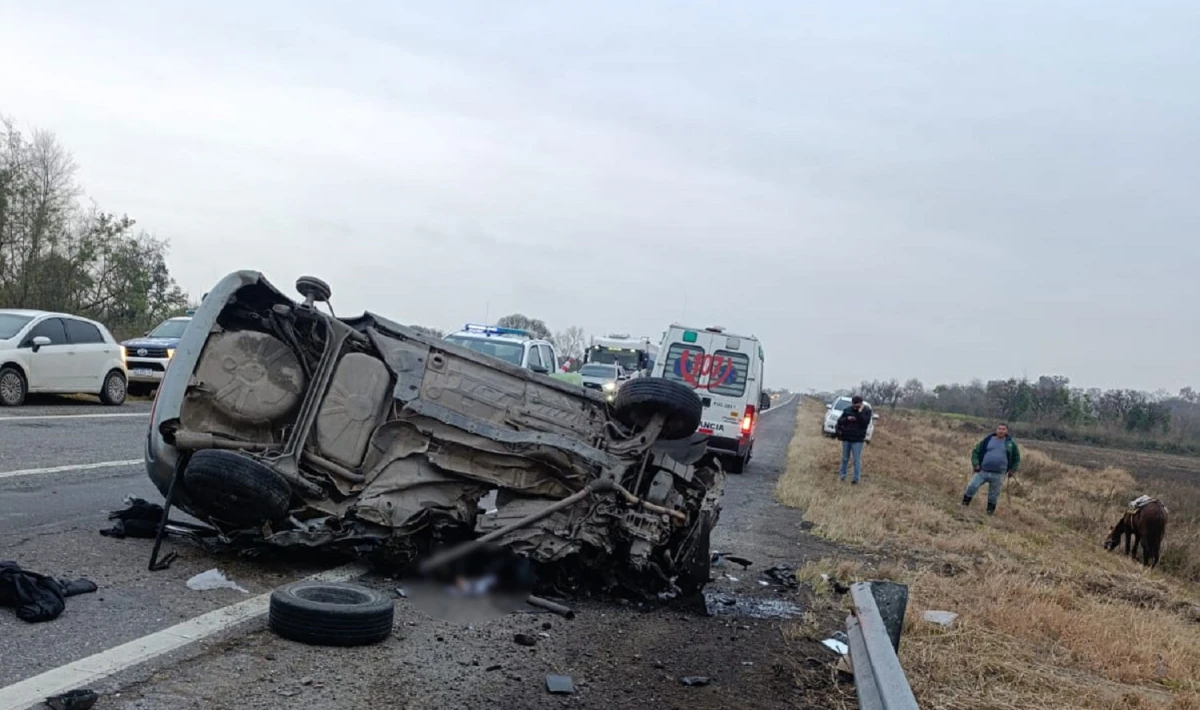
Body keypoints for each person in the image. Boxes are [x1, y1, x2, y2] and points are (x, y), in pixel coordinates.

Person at [961, 423, 1021, 515]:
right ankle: (964, 505)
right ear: (996, 430)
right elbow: (976, 451)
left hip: (999, 474)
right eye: (999, 429)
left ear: (1006, 431)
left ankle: (989, 513)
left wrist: (1012, 470)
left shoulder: (1011, 444)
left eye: (1003, 429)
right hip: (983, 470)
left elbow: (1016, 458)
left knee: (993, 494)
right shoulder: (987, 440)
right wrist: (976, 464)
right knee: (972, 486)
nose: (1001, 431)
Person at [835, 396, 872, 484]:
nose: (856, 406)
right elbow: (840, 421)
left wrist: (859, 412)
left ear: (861, 403)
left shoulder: (867, 411)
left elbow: (865, 423)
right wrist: (847, 419)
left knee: (856, 459)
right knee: (845, 458)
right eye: (854, 404)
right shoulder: (847, 410)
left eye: (858, 404)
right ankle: (842, 475)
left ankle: (856, 478)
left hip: (858, 439)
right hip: (846, 437)